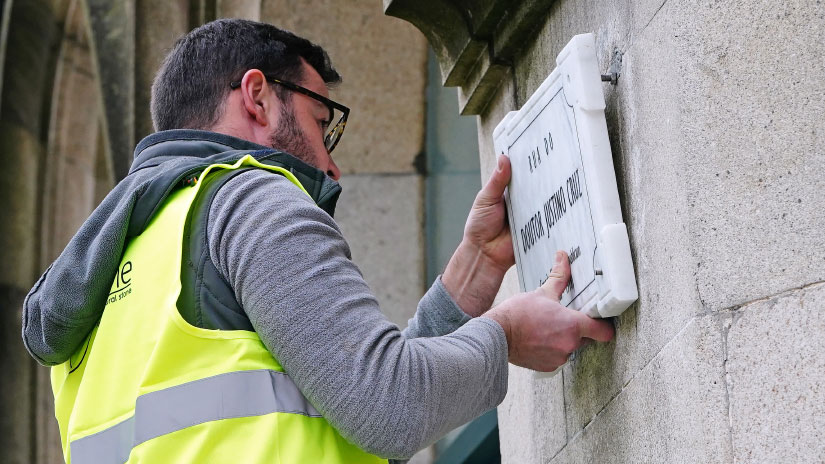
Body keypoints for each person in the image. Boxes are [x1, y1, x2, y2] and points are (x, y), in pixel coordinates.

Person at [22, 19, 614, 463]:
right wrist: (506, 334)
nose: (331, 165)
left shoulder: (104, 282)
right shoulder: (245, 199)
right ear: (257, 96)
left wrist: (473, 273)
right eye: (320, 121)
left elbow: (345, 412)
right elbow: (390, 407)